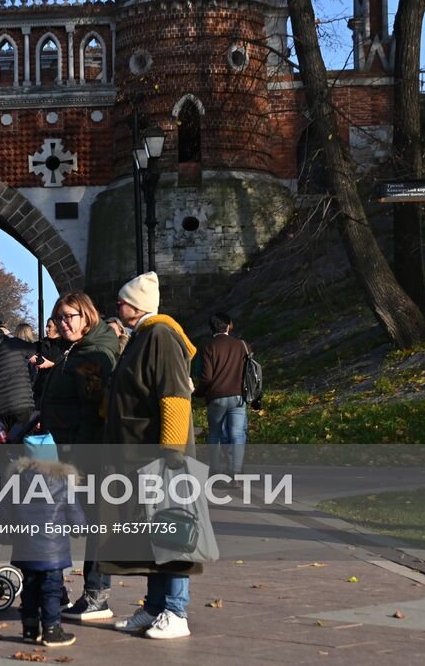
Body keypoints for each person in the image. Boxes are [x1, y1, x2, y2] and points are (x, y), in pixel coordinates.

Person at [104, 271, 200, 641]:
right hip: (139, 455)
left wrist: (173, 454)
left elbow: (174, 395)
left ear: (138, 305)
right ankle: (155, 607)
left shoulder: (160, 335)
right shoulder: (143, 336)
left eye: (123, 301)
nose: (118, 306)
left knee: (172, 531)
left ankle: (176, 612)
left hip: (161, 457)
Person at [40, 292, 119, 624]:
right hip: (68, 447)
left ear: (87, 316)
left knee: (97, 522)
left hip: (84, 452)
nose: (63, 323)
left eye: (69, 316)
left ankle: (97, 595)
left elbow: (94, 413)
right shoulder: (79, 350)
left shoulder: (94, 355)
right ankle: (81, 592)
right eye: (59, 318)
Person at [0, 436, 84, 647]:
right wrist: (80, 528)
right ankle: (51, 629)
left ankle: (30, 629)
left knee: (30, 587)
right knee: (51, 589)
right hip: (53, 551)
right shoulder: (63, 482)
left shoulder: (16, 481)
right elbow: (76, 516)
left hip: (25, 548)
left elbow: (4, 511)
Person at [195, 312, 248, 477]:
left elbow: (207, 377)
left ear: (211, 328)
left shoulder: (208, 346)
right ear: (229, 325)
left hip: (216, 397)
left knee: (215, 434)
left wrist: (198, 392)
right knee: (237, 434)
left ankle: (215, 471)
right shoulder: (242, 345)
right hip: (239, 396)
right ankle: (236, 472)